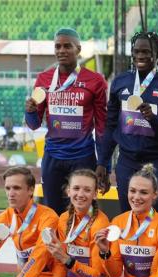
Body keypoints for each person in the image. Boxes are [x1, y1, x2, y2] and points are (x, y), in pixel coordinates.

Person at [25, 28, 108, 215]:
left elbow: (103, 126)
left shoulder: (95, 81)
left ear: (78, 49)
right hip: (52, 157)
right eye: (58, 46)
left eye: (67, 46)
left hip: (83, 156)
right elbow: (34, 124)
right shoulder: (43, 79)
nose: (61, 50)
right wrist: (29, 111)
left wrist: (104, 163)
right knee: (52, 212)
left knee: (83, 211)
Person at [102, 31, 158, 216]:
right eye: (136, 51)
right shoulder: (120, 82)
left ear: (157, 53)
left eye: (146, 51)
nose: (140, 56)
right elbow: (111, 125)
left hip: (157, 160)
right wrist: (102, 162)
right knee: (127, 216)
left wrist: (153, 118)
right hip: (126, 161)